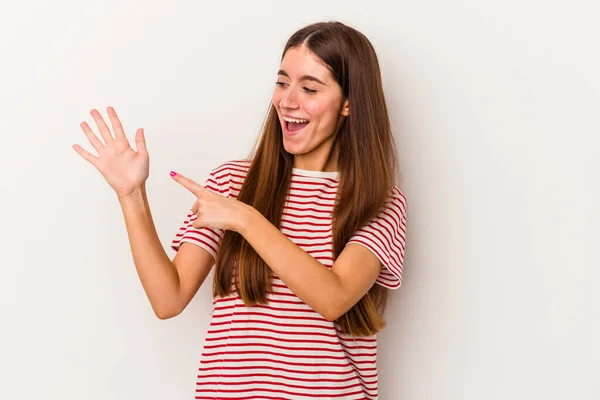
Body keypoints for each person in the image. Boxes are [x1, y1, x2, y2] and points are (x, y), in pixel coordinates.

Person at [73, 20, 407, 400]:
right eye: (282, 82)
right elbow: (168, 299)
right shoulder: (232, 182)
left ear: (349, 102)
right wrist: (131, 194)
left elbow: (333, 298)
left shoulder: (380, 202)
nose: (287, 100)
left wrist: (246, 218)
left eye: (309, 88)